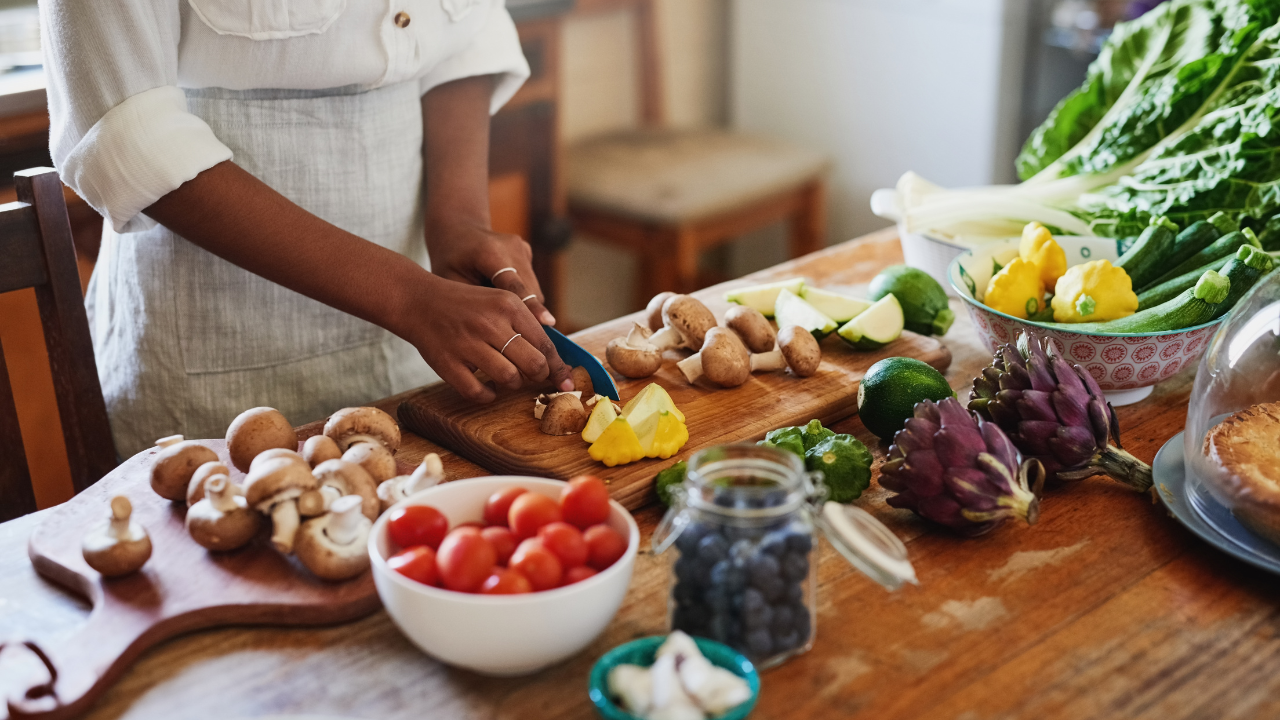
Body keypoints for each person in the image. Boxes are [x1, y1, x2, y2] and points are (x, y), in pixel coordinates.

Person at [41, 0, 575, 457]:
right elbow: (124, 132)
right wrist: (407, 297)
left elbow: (468, 30)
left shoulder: (427, 307)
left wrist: (458, 220)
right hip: (214, 352)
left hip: (420, 344)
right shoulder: (412, 300)